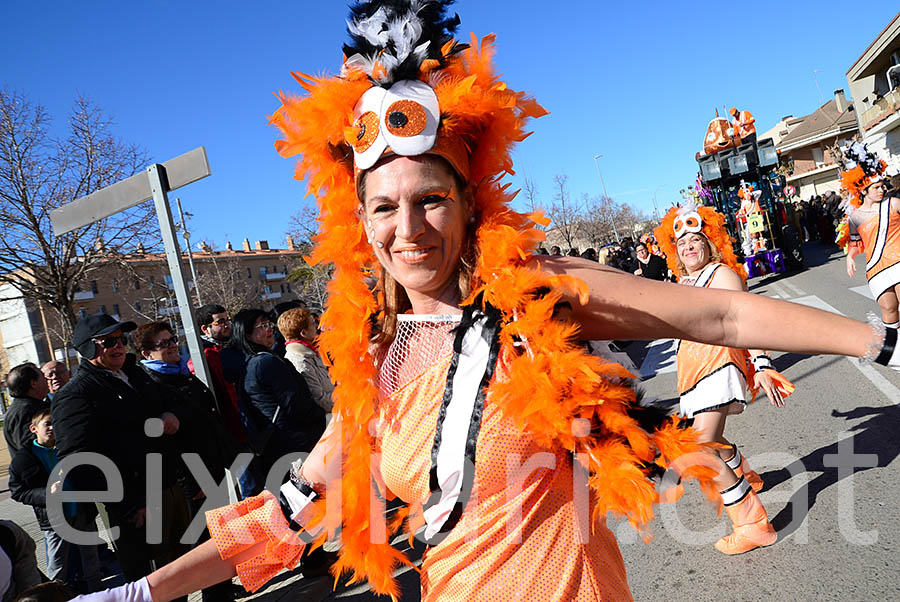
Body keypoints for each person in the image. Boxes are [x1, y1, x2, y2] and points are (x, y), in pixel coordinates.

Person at [72, 3, 900, 601]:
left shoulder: (529, 296)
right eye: (385, 208)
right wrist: (139, 595)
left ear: (467, 202)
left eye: (430, 199)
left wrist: (877, 342)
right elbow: (288, 512)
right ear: (360, 224)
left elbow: (713, 316)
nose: (411, 229)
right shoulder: (371, 363)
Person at [655, 204, 795, 554]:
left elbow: (747, 320)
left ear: (708, 242)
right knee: (711, 439)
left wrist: (761, 363)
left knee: (699, 446)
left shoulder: (721, 274)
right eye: (681, 242)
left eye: (695, 239)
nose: (688, 246)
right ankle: (748, 477)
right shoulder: (682, 283)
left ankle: (753, 524)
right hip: (692, 375)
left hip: (718, 366)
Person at [50, 315, 189, 591]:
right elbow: (79, 462)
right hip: (136, 502)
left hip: (171, 484)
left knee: (182, 569)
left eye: (121, 339)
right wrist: (129, 505)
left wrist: (170, 414)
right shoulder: (76, 395)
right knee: (154, 583)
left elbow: (173, 400)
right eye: (109, 342)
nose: (118, 347)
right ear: (89, 348)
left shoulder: (135, 374)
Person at [132, 322, 238, 602]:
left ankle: (223, 585)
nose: (171, 346)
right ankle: (214, 593)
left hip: (212, 464)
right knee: (202, 538)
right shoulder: (153, 385)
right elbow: (170, 443)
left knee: (220, 531)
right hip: (193, 474)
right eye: (162, 344)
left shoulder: (182, 375)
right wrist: (191, 481)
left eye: (172, 340)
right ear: (146, 353)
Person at [230, 309, 326, 495]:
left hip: (279, 447)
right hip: (294, 445)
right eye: (263, 326)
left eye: (269, 324)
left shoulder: (253, 363)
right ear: (247, 334)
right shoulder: (266, 363)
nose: (270, 330)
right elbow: (294, 404)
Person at [8, 409, 102, 592]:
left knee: (91, 559)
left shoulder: (69, 446)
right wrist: (45, 494)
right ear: (33, 428)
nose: (52, 428)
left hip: (83, 512)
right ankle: (52, 596)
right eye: (47, 424)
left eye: (54, 423)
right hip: (54, 519)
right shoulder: (24, 458)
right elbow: (17, 491)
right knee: (58, 564)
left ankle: (98, 592)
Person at [843, 141, 899, 329]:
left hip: (898, 261)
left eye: (883, 186)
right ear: (863, 190)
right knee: (889, 309)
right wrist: (850, 257)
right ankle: (896, 351)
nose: (882, 190)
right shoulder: (855, 217)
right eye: (876, 187)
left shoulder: (893, 204)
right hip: (876, 268)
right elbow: (855, 242)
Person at [190, 305, 245, 444]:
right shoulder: (205, 357)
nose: (227, 325)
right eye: (220, 322)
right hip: (233, 425)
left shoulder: (233, 346)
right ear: (205, 329)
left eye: (227, 320)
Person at [277, 308, 333, 413]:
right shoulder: (300, 361)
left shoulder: (310, 352)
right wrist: (346, 397)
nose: (317, 326)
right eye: (313, 324)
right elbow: (320, 401)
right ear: (304, 333)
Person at [3, 364, 50, 455]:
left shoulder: (23, 407)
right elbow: (31, 449)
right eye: (43, 376)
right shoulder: (26, 411)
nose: (47, 379)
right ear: (33, 383)